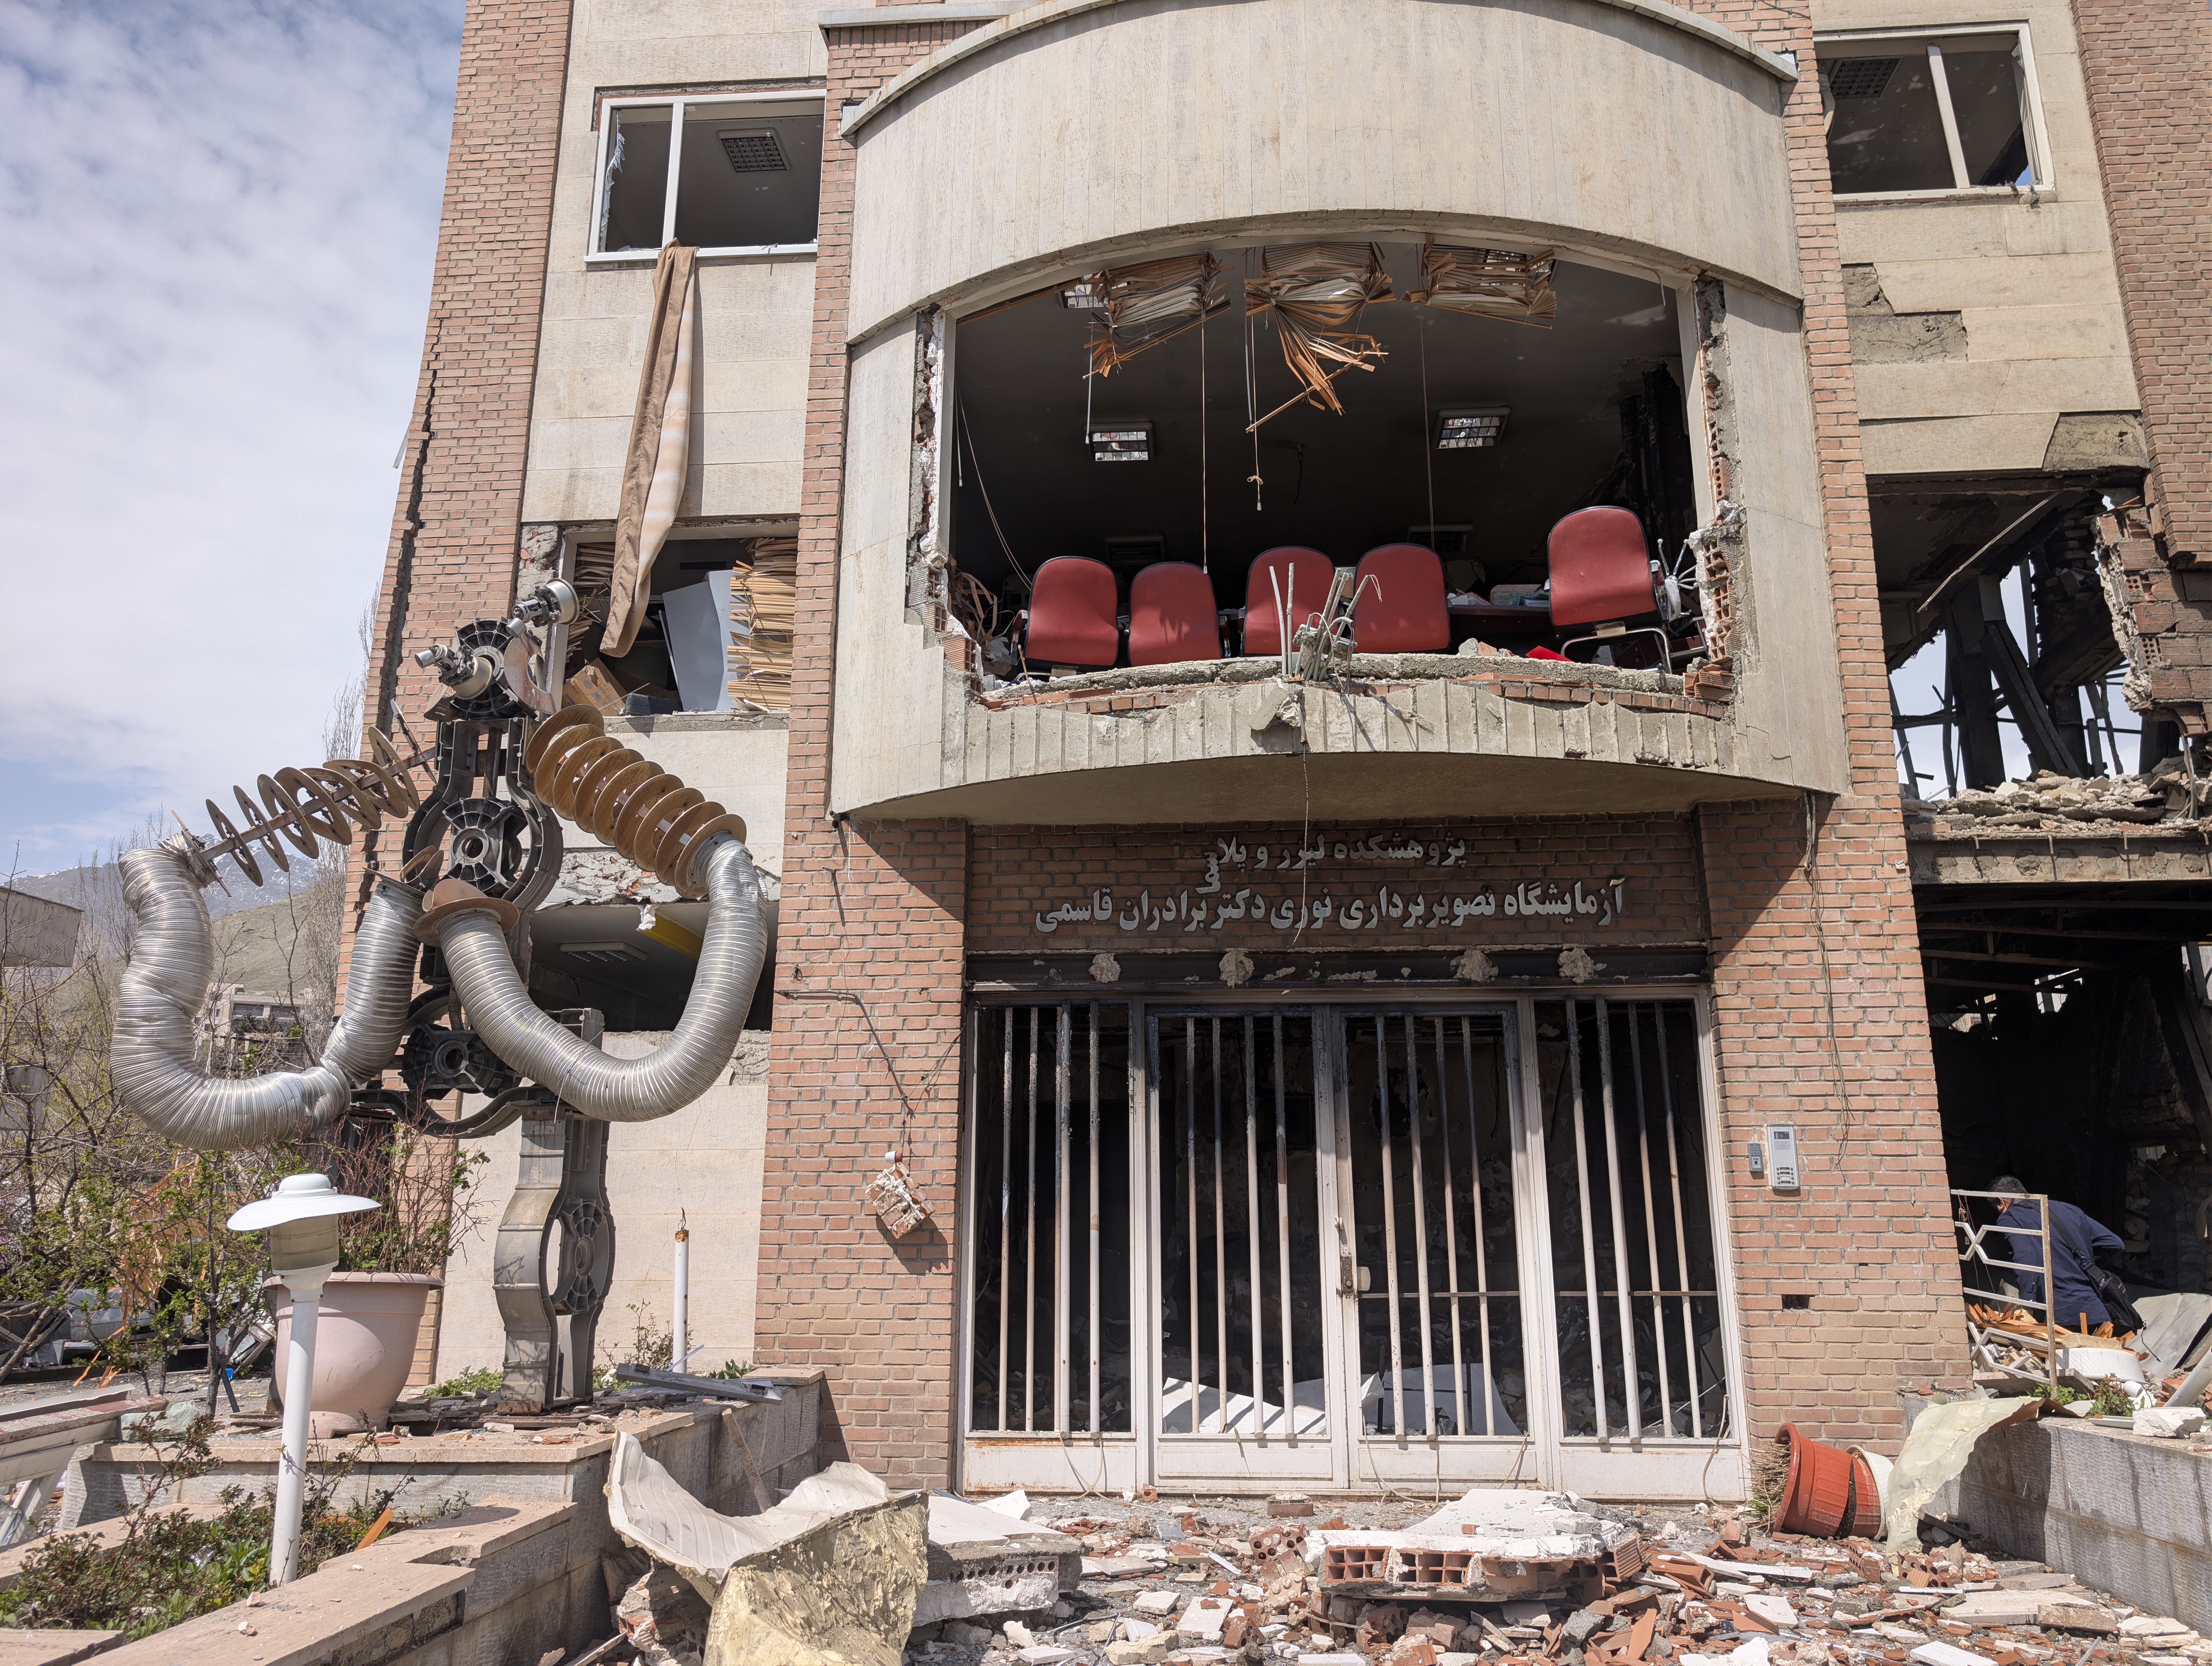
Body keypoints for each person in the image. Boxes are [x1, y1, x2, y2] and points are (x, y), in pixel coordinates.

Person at [1989, 1176, 2123, 1331]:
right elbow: (2114, 1244)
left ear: (2001, 1203)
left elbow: (2027, 1256)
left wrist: (2029, 1305)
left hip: (2061, 1318)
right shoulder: (2069, 1209)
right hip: (2097, 1313)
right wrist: (2081, 1262)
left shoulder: (2010, 1218)